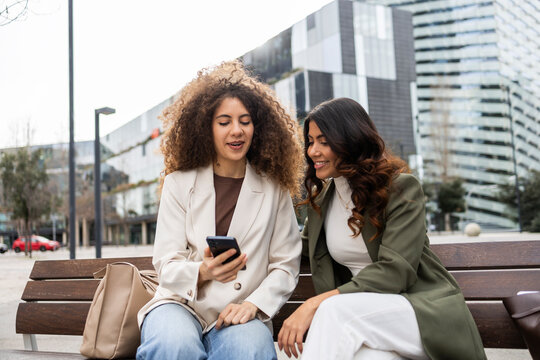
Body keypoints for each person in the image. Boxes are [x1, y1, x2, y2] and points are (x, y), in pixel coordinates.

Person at [277, 97, 487, 360]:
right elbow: (295, 250)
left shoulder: (401, 189)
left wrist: (315, 302)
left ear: (350, 140)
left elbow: (395, 271)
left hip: (419, 312)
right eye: (310, 141)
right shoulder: (323, 201)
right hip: (367, 320)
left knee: (332, 310)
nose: (312, 151)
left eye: (324, 141)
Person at [136, 60, 304, 360]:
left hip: (239, 309)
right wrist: (202, 271)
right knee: (174, 347)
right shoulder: (178, 183)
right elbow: (166, 263)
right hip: (180, 304)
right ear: (207, 127)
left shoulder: (274, 189)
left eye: (245, 120)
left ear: (258, 126)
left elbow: (285, 265)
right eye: (224, 121)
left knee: (250, 351)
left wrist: (253, 305)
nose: (236, 131)